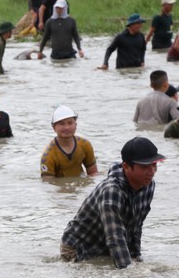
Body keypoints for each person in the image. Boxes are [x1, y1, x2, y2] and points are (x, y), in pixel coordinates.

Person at [60, 137, 164, 269]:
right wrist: (129, 274)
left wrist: (136, 257)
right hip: (79, 247)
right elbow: (115, 238)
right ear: (126, 167)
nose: (151, 172)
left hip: (105, 243)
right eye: (144, 166)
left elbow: (136, 227)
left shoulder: (148, 185)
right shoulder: (112, 191)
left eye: (154, 164)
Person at [40, 105, 98, 178]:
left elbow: (93, 174)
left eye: (70, 123)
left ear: (76, 125)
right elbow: (49, 184)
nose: (67, 127)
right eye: (61, 124)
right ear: (54, 127)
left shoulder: (85, 145)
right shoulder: (48, 155)